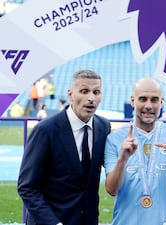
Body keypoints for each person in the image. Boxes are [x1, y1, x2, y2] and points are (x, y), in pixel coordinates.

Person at [18, 69, 111, 225]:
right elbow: (27, 187)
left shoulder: (103, 127)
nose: (91, 98)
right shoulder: (45, 130)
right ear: (70, 94)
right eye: (84, 91)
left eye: (96, 92)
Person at [104, 77, 166, 225]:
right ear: (133, 101)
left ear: (161, 102)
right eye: (143, 99)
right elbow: (111, 189)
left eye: (154, 100)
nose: (148, 105)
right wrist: (122, 159)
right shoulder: (115, 139)